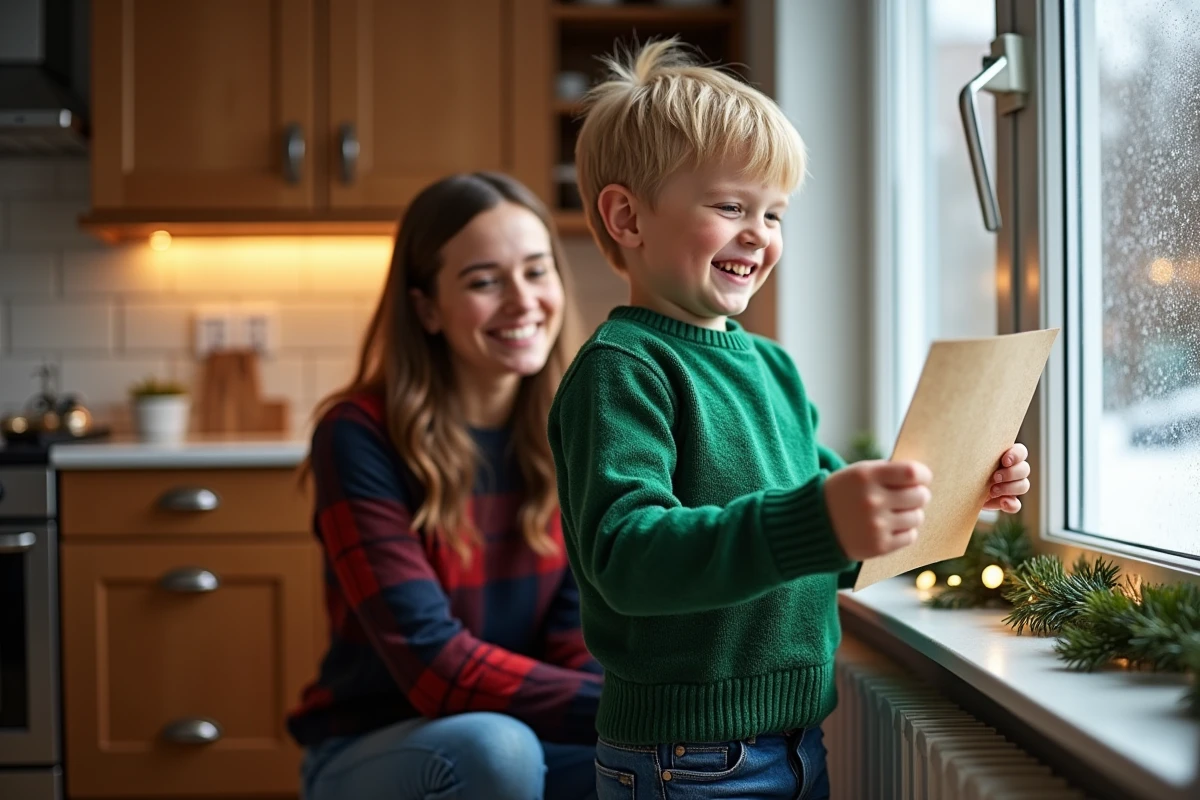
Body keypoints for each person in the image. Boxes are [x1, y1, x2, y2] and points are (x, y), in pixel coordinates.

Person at [546, 39, 1031, 799]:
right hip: (684, 760)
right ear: (627, 216)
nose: (760, 234)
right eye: (730, 206)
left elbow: (836, 547)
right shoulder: (622, 367)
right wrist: (815, 520)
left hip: (796, 741)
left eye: (774, 212)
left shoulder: (772, 368)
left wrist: (958, 494)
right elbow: (627, 558)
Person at [287, 172, 602, 800]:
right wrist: (643, 706)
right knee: (495, 749)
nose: (522, 301)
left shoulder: (574, 429)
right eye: (485, 281)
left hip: (529, 737)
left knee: (663, 770)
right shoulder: (357, 436)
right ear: (426, 307)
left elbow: (577, 640)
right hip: (375, 747)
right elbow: (435, 668)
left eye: (537, 272)